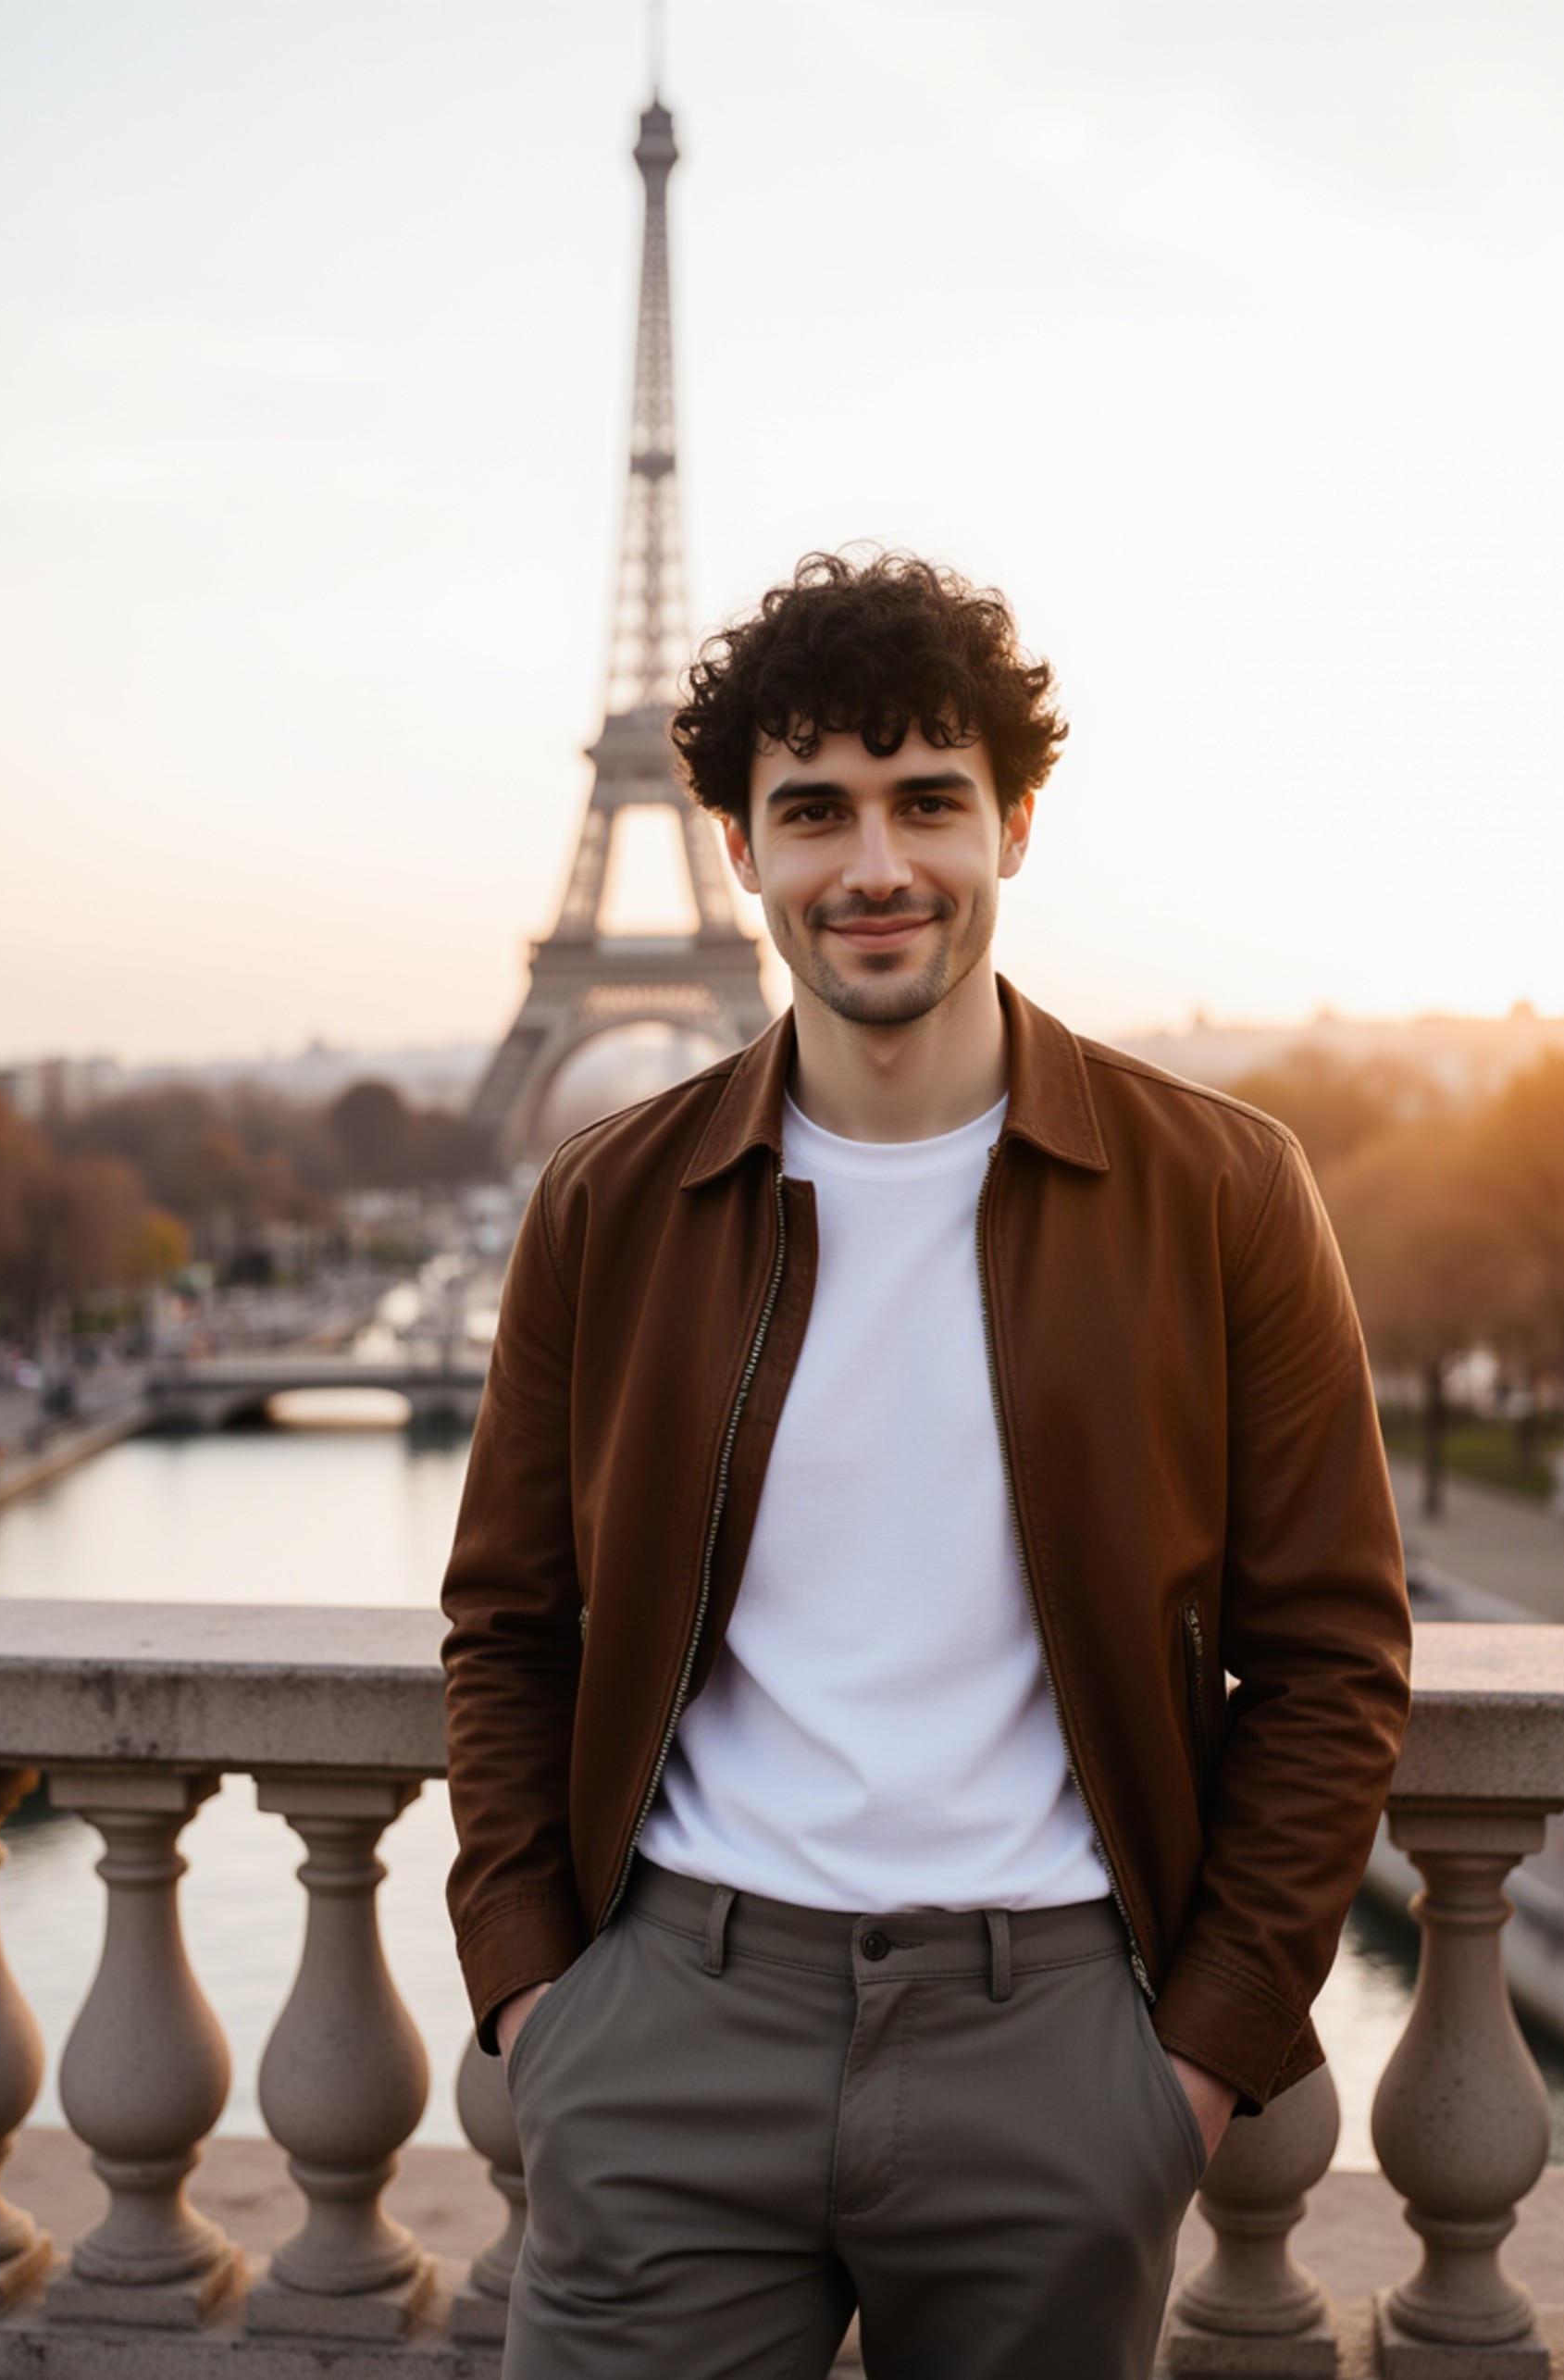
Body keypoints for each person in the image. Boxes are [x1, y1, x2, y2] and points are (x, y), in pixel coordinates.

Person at [441, 550, 1411, 2380]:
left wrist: (1188, 2062)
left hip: (1053, 2038)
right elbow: (505, 1620)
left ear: (1015, 823)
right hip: (670, 2030)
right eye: (811, 808)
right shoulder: (606, 1203)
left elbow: (1332, 1656)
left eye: (925, 801)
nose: (872, 863)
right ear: (739, 847)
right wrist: (539, 1993)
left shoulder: (1222, 1191)